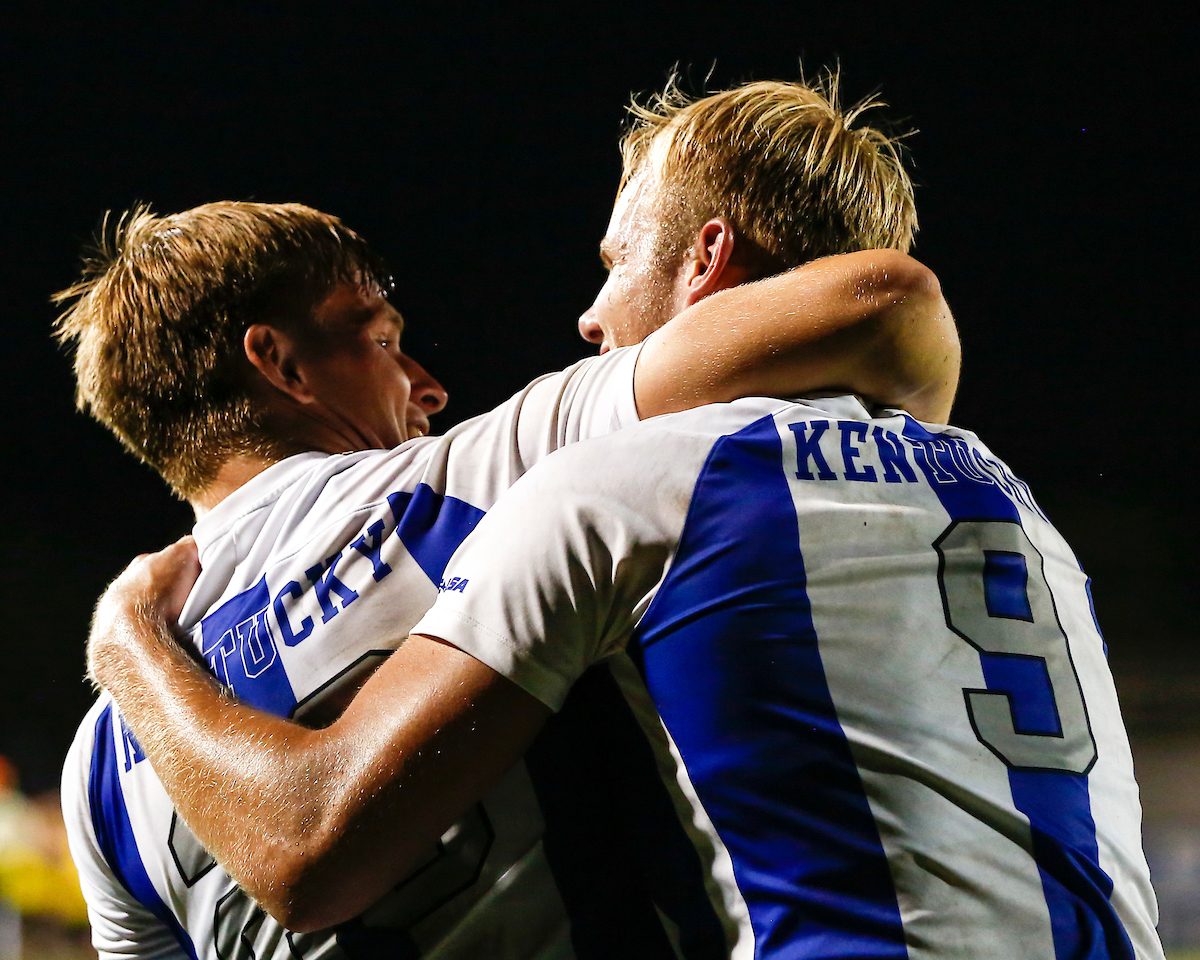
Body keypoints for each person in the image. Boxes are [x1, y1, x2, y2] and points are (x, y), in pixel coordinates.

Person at [66, 78, 959, 959]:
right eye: (383, 340)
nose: (429, 386)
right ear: (284, 367)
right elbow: (881, 308)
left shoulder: (99, 765)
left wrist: (128, 643)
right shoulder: (484, 472)